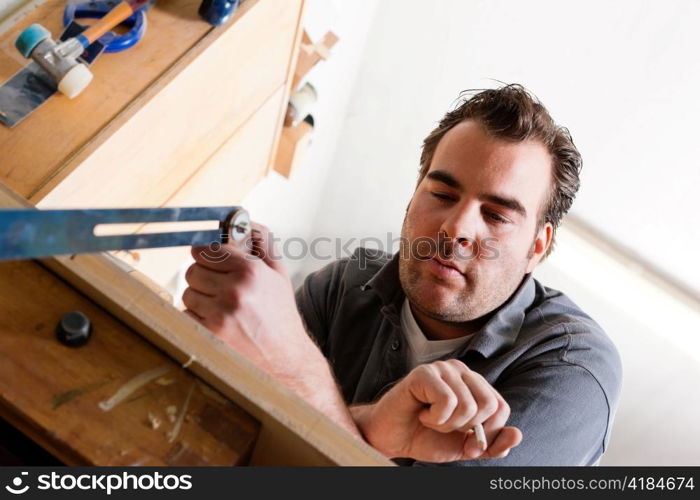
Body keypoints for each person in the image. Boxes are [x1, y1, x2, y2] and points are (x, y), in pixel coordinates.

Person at [181, 84, 622, 466]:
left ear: (536, 248)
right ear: (413, 197)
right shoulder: (344, 285)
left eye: (496, 215)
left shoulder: (575, 370)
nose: (456, 229)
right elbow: (239, 430)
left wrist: (291, 361)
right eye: (443, 193)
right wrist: (370, 429)